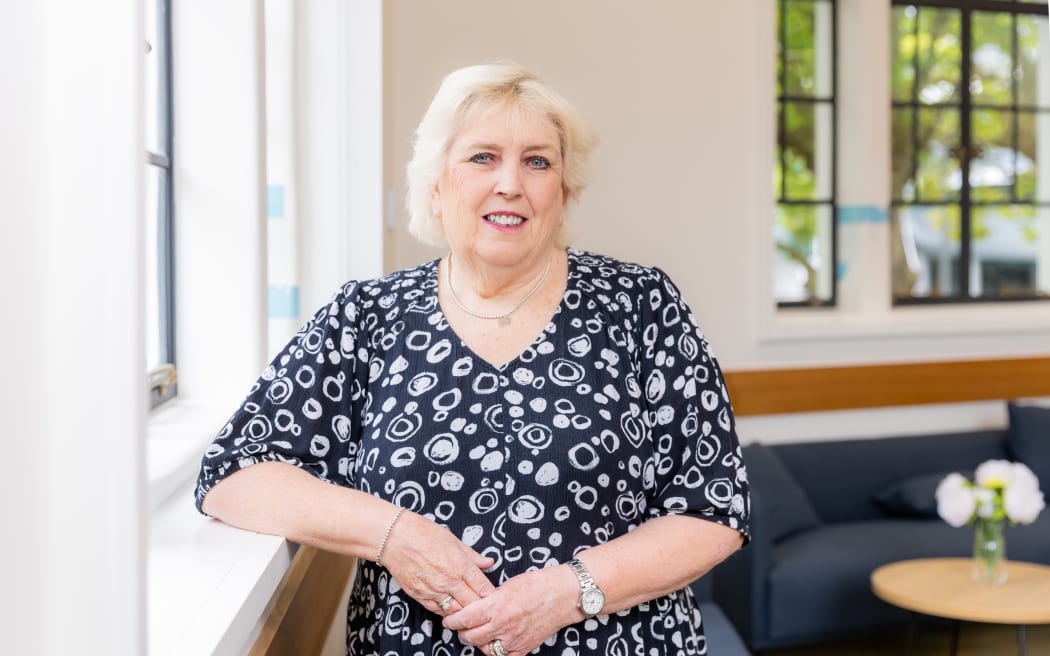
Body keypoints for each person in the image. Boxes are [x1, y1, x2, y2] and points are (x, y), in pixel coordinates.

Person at [196, 62, 749, 656]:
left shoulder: (642, 305)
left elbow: (713, 509)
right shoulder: (368, 316)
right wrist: (394, 535)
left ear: (563, 192)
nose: (510, 183)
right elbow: (233, 475)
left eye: (537, 162)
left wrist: (570, 590)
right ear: (435, 186)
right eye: (482, 157)